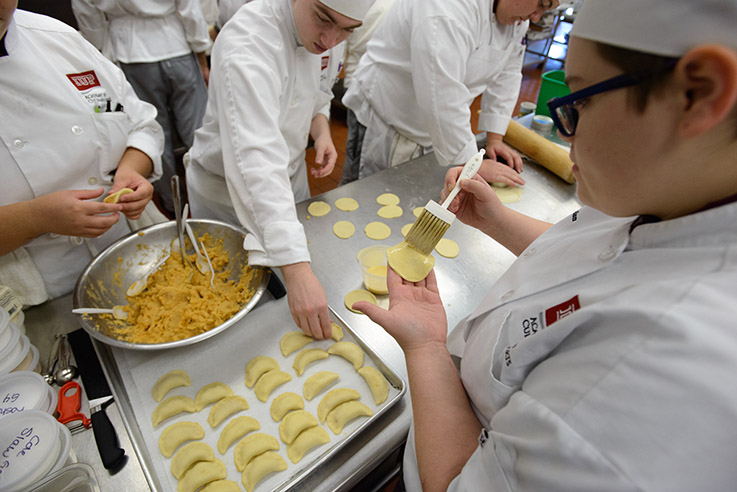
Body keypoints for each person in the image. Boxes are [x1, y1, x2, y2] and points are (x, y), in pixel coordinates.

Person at [354, 0, 737, 489]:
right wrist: (497, 220)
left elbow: (456, 482)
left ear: (697, 94)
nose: (561, 129)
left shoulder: (653, 372)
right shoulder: (678, 196)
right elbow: (600, 253)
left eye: (580, 103)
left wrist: (427, 347)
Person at [185, 0, 371, 339]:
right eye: (323, 19)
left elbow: (318, 92)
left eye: (346, 30)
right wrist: (297, 270)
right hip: (227, 192)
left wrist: (321, 130)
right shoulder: (249, 41)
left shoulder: (326, 35)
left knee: (286, 305)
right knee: (225, 303)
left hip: (288, 178)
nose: (331, 40)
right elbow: (254, 157)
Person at [0, 2, 163, 307]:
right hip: (34, 301)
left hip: (134, 259)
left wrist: (130, 170)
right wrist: (35, 218)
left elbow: (139, 123)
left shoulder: (57, 39)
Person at [342, 0, 560, 186]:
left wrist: (495, 138)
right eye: (542, 2)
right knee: (365, 197)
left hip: (434, 123)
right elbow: (441, 91)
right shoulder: (448, 7)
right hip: (389, 114)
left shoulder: (517, 15)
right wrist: (472, 163)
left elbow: (508, 73)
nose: (537, 15)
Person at [71, 0, 211, 217]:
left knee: (153, 133)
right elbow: (189, 9)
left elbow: (90, 20)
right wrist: (201, 54)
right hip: (176, 46)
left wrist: (100, 54)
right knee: (199, 130)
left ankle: (173, 205)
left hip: (129, 52)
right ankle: (206, 202)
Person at [339, 0, 395, 185]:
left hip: (381, 103)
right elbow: (355, 52)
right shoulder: (381, 9)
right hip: (366, 101)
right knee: (355, 172)